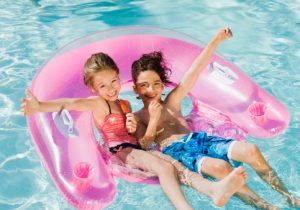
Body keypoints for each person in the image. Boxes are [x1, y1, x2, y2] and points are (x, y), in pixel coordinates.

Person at [21, 52, 247, 209]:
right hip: (122, 151)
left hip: (137, 148)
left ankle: (213, 190)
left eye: (113, 81)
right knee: (164, 168)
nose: (111, 89)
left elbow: (141, 139)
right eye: (103, 86)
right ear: (93, 88)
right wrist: (39, 107)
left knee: (175, 166)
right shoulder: (98, 103)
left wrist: (133, 126)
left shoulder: (125, 105)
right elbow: (71, 104)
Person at [132, 27, 300, 210]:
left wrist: (215, 41)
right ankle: (266, 207)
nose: (151, 90)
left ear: (163, 85)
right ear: (136, 89)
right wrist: (154, 120)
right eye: (144, 85)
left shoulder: (171, 102)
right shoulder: (138, 117)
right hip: (178, 150)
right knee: (221, 168)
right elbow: (145, 145)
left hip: (201, 139)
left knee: (251, 150)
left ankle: (287, 196)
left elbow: (193, 72)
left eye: (156, 84)